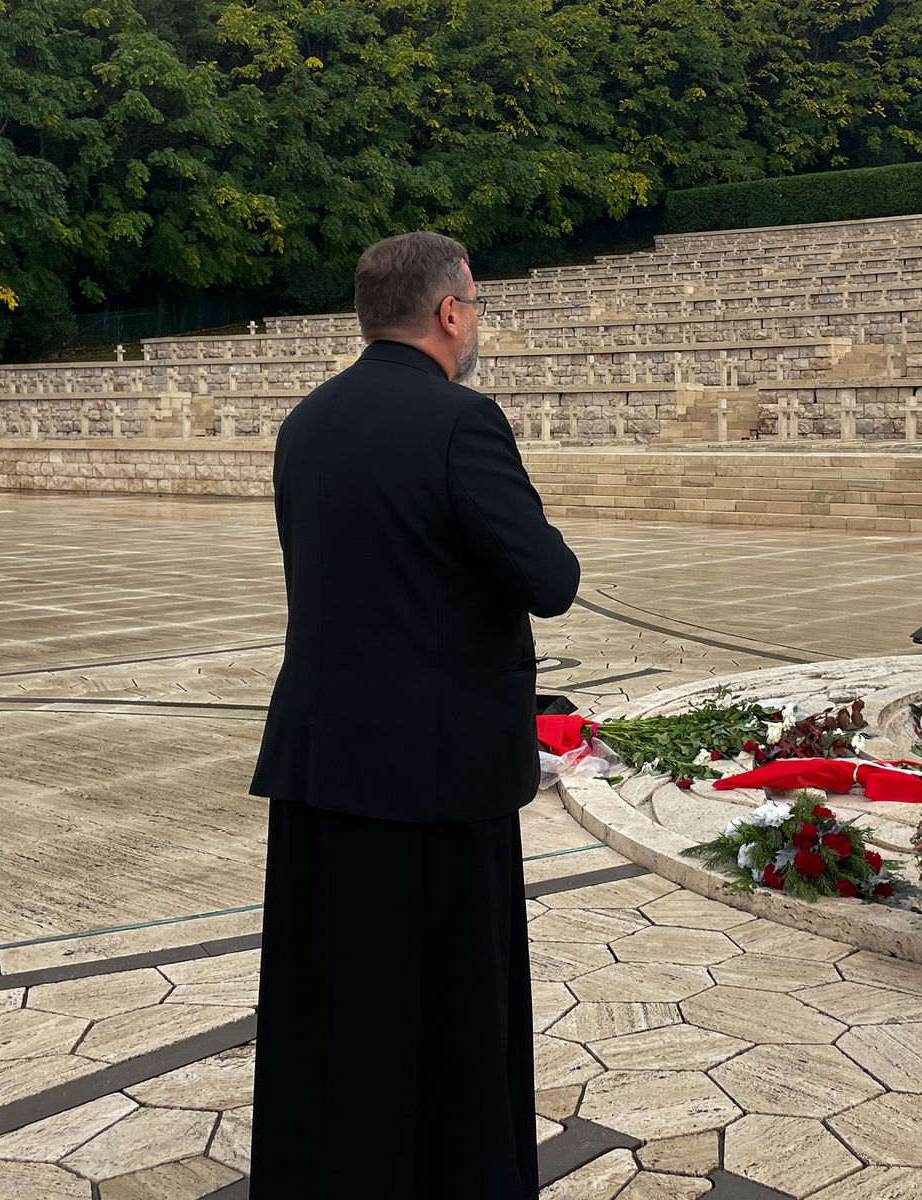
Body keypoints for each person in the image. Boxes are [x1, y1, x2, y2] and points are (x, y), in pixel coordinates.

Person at [248, 230, 580, 1197]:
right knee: (445, 1010)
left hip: (322, 759)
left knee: (334, 1003)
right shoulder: (460, 421)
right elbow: (548, 579)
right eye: (473, 305)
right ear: (446, 311)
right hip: (431, 774)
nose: (475, 322)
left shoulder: (306, 421)